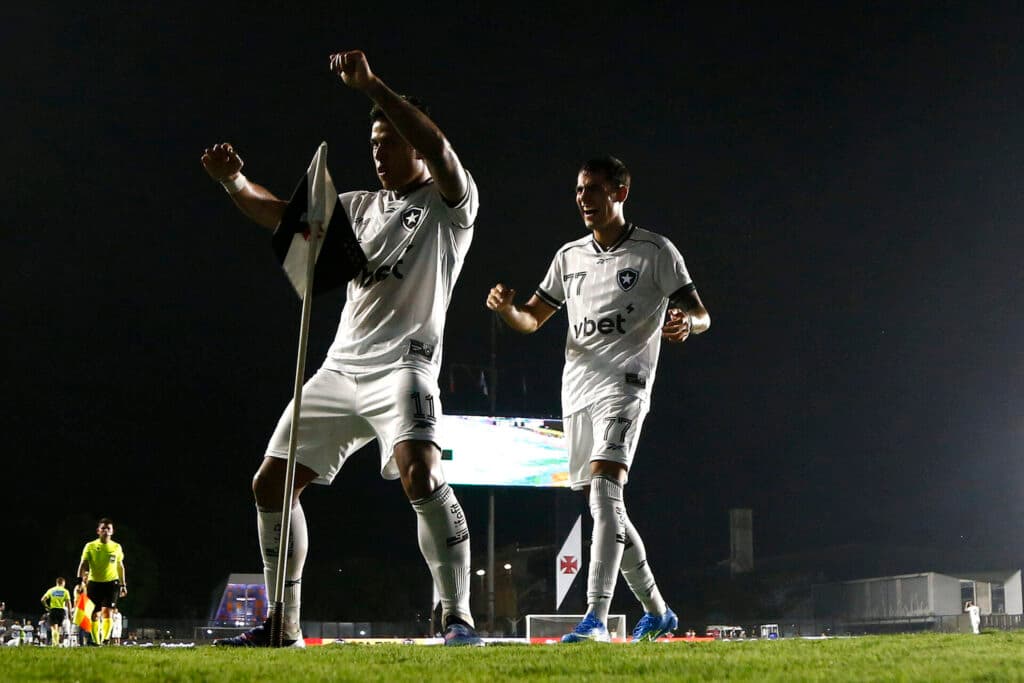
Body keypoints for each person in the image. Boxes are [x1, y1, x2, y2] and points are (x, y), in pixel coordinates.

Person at [201, 49, 481, 647]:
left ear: (413, 141)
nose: (379, 151)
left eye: (390, 140)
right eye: (373, 143)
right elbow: (280, 217)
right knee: (269, 485)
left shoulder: (449, 203)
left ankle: (457, 615)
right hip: (339, 368)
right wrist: (232, 181)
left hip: (403, 369)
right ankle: (286, 625)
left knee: (421, 477)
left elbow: (439, 150)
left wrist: (373, 86)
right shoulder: (355, 207)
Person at [486, 155, 710, 643]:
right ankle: (659, 610)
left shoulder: (656, 251)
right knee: (606, 509)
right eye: (578, 190)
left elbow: (700, 313)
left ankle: (596, 619)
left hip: (626, 385)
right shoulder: (568, 257)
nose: (583, 198)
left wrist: (685, 324)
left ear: (620, 193)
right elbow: (531, 319)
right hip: (577, 391)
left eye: (593, 189)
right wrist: (507, 310)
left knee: (607, 492)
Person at [78, 518, 127, 645]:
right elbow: (83, 564)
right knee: (94, 614)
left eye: (108, 528)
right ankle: (95, 641)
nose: (105, 531)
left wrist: (123, 585)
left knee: (107, 612)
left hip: (112, 583)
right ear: (98, 531)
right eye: (103, 528)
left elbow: (120, 566)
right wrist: (80, 581)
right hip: (94, 583)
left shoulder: (116, 547)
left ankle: (105, 639)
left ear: (112, 531)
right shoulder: (90, 546)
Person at [40, 577, 72, 646]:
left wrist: (47, 607)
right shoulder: (66, 591)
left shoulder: (51, 590)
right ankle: (56, 643)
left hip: (53, 610)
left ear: (57, 583)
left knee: (53, 628)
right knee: (58, 628)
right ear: (63, 583)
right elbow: (69, 603)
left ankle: (55, 643)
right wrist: (70, 614)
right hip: (61, 611)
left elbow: (42, 600)